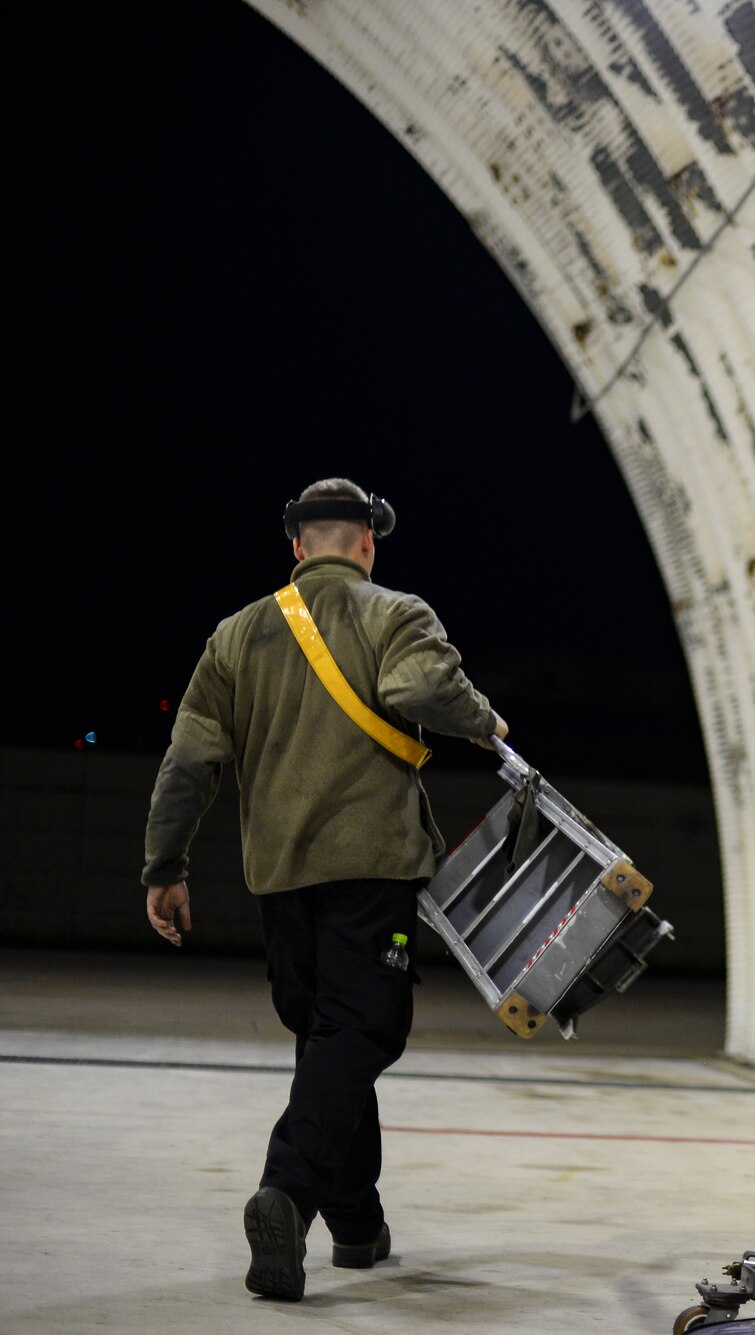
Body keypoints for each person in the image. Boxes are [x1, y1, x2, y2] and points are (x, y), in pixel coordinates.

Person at [141, 477, 506, 1301]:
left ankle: (356, 1220)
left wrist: (165, 867)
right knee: (363, 1027)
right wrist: (483, 719)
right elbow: (419, 690)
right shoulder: (397, 613)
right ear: (367, 543)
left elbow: (189, 762)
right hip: (370, 868)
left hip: (279, 878)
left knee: (325, 1033)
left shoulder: (234, 636)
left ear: (297, 547)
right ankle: (289, 1191)